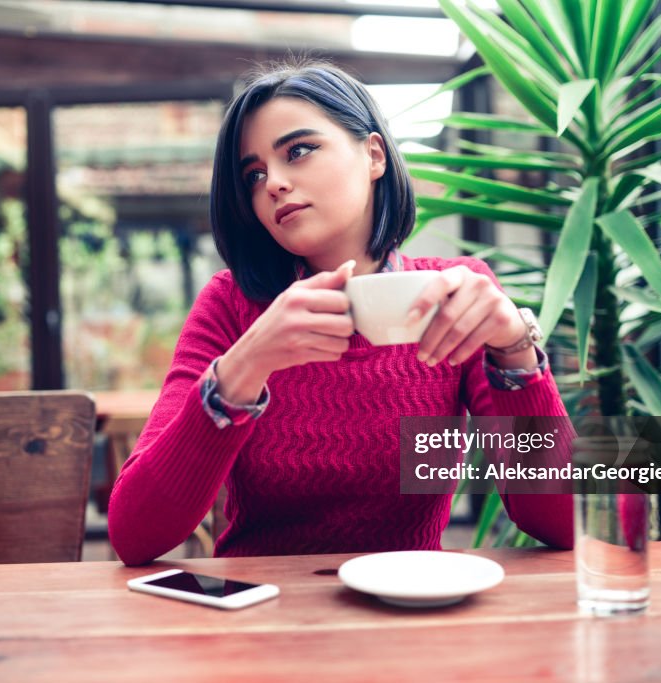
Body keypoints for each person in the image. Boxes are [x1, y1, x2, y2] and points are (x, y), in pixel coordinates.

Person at [108, 60, 572, 566]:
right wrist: (245, 366)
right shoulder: (231, 305)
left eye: (299, 151)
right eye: (254, 174)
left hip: (412, 615)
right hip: (260, 618)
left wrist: (515, 351)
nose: (274, 184)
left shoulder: (455, 294)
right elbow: (134, 535)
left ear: (374, 155)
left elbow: (563, 522)